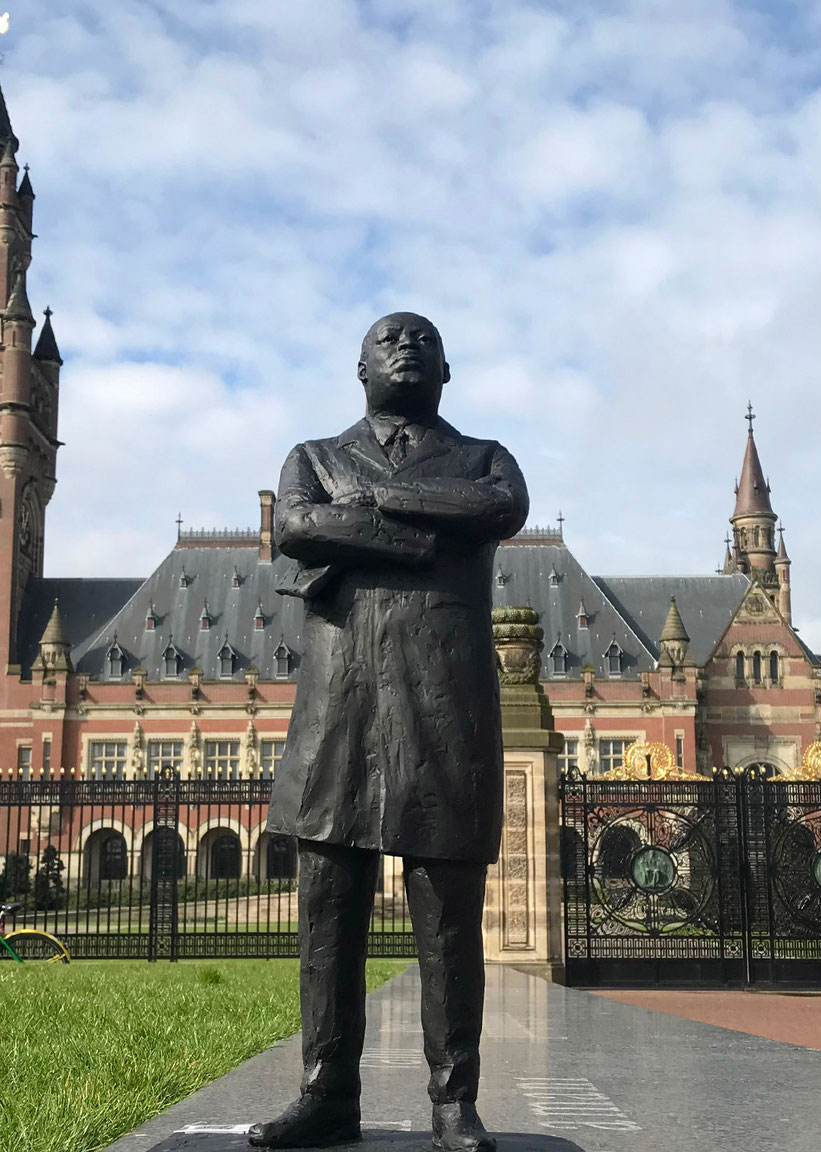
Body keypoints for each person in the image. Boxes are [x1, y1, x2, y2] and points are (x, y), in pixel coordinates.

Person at [251, 313, 527, 1152]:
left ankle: (453, 1100)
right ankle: (326, 1093)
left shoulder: (484, 457)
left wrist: (374, 508)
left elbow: (499, 507)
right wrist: (422, 541)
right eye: (388, 339)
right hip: (339, 704)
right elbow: (297, 528)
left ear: (447, 369)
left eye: (423, 339)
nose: (406, 345)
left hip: (446, 702)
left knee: (447, 911)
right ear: (359, 367)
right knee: (327, 909)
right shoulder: (314, 457)